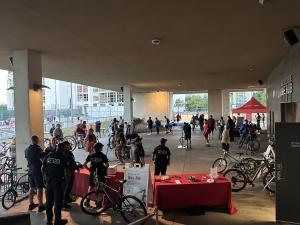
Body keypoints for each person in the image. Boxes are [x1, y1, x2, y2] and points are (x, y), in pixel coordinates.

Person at [43, 143, 68, 225]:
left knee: (49, 202)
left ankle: (49, 221)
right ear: (63, 149)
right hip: (58, 182)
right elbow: (65, 171)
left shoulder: (49, 155)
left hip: (49, 182)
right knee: (57, 202)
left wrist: (45, 179)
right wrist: (65, 181)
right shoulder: (62, 157)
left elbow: (43, 167)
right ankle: (57, 220)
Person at [25, 135, 45, 212]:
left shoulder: (27, 149)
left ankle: (31, 204)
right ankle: (40, 205)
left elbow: (27, 158)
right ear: (37, 140)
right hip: (37, 171)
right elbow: (43, 159)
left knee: (32, 187)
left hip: (30, 170)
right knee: (40, 187)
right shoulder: (38, 149)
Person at [62, 141, 79, 208]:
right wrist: (77, 167)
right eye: (69, 145)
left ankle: (67, 198)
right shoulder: (68, 152)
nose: (70, 146)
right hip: (69, 171)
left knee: (66, 186)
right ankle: (64, 202)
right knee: (68, 186)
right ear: (66, 145)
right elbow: (72, 161)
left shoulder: (63, 152)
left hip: (66, 171)